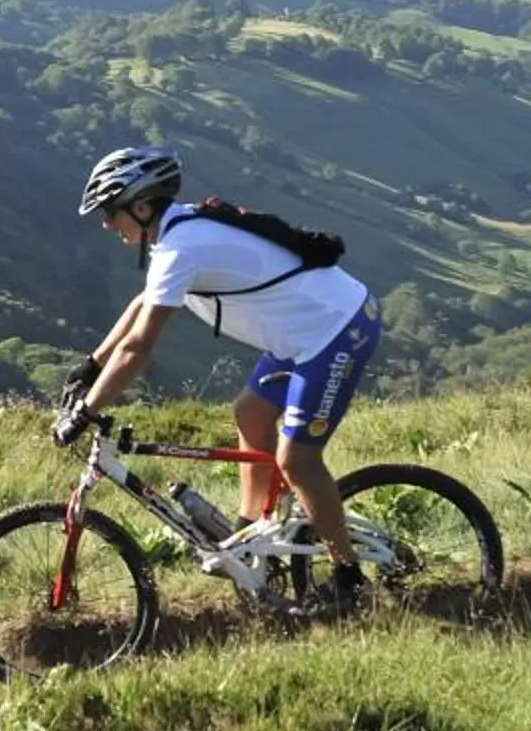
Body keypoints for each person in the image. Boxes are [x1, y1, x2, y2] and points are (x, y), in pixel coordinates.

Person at [59, 147, 383, 612]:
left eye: (111, 212)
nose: (107, 225)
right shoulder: (177, 234)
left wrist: (87, 410)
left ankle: (349, 576)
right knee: (250, 413)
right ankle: (252, 531)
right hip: (300, 335)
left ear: (142, 206)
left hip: (336, 328)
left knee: (298, 461)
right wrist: (90, 365)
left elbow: (139, 347)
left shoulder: (180, 248)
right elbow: (141, 306)